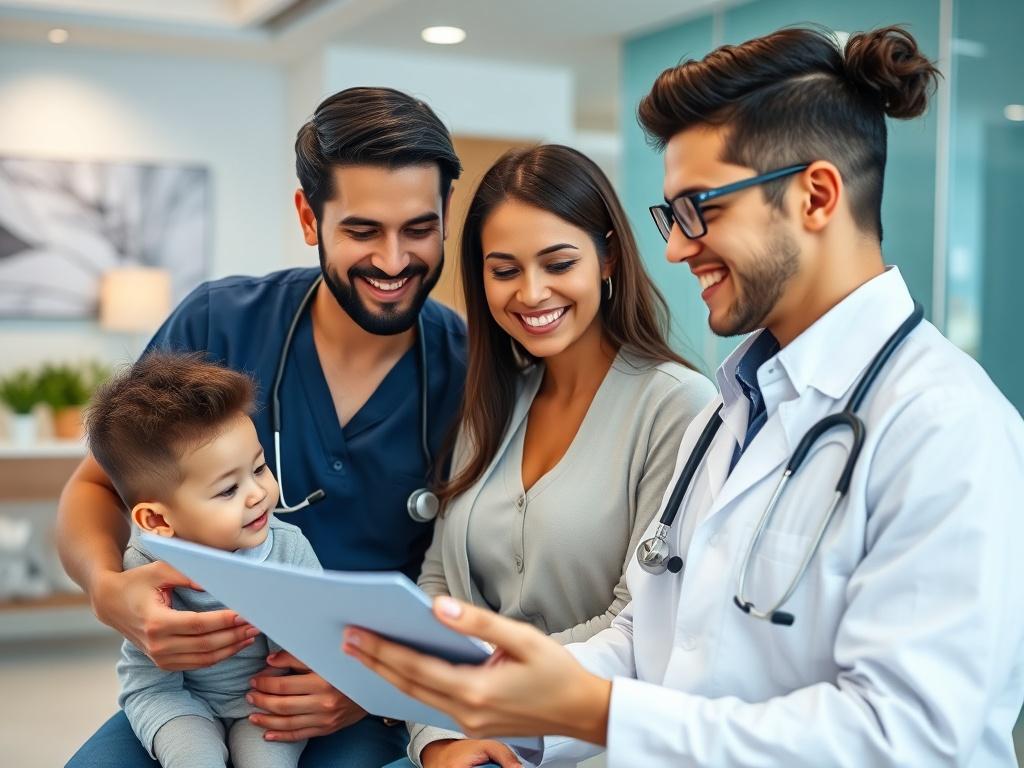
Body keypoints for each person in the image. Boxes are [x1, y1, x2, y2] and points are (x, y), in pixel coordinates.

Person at [344, 26, 1024, 767]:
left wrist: (597, 710)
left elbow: (910, 739)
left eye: (702, 209)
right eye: (672, 215)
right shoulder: (727, 416)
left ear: (816, 196)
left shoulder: (948, 429)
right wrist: (504, 705)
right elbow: (649, 637)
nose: (674, 247)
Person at [59, 86, 466, 767]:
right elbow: (96, 487)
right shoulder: (221, 322)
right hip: (193, 689)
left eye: (419, 229)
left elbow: (475, 579)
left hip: (361, 704)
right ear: (309, 217)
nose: (394, 261)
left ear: (446, 216)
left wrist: (370, 687)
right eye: (362, 231)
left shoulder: (471, 368)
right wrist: (110, 592)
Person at [406, 145, 715, 768]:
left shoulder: (676, 406)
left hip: (593, 745)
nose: (532, 292)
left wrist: (484, 700)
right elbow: (438, 586)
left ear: (606, 256)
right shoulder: (491, 401)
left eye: (558, 262)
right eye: (504, 269)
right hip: (466, 735)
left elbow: (641, 621)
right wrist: (435, 741)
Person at [87, 353, 321, 767]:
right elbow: (154, 679)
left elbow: (312, 653)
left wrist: (311, 646)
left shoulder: (287, 550)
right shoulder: (144, 566)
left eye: (260, 468)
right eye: (228, 490)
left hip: (263, 697)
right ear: (157, 519)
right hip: (171, 696)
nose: (257, 494)